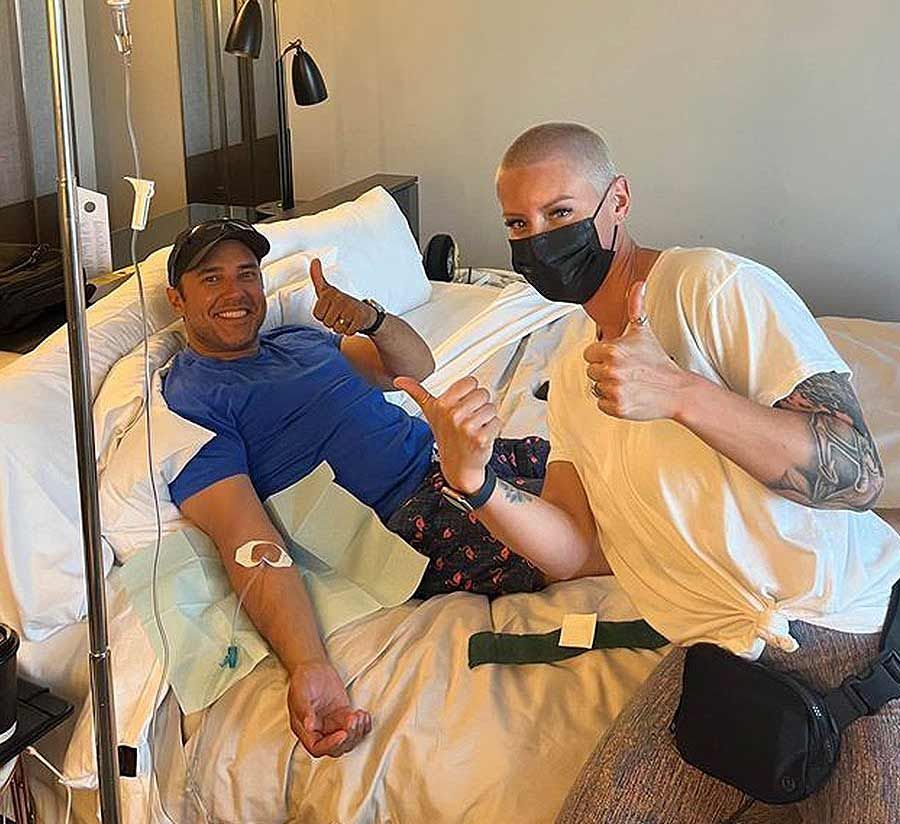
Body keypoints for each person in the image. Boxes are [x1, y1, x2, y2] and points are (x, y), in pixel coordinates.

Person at [398, 122, 900, 823]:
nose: (538, 237)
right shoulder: (574, 366)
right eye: (518, 222)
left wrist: (683, 395)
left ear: (619, 201)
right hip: (719, 656)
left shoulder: (710, 285)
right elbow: (576, 549)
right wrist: (476, 483)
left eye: (561, 213)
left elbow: (856, 473)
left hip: (855, 633)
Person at [161, 218, 548, 760]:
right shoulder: (191, 402)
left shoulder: (296, 339)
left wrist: (372, 318)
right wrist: (309, 665)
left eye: (247, 274)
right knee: (593, 540)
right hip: (413, 518)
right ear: (175, 299)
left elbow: (414, 366)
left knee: (613, 475)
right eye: (211, 279)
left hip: (456, 459)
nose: (236, 292)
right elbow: (244, 538)